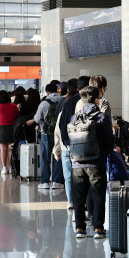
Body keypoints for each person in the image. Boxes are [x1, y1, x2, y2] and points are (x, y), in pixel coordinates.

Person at [70, 86, 114, 240]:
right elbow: (109, 140)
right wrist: (109, 153)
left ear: (82, 99)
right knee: (98, 195)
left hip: (77, 163)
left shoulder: (74, 118)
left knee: (79, 197)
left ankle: (80, 228)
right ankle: (98, 228)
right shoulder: (102, 117)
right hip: (96, 162)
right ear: (97, 99)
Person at [53, 78, 84, 210]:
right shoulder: (84, 104)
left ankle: (70, 201)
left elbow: (59, 129)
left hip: (66, 146)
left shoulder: (66, 105)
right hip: (81, 145)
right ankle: (81, 202)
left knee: (68, 175)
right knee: (82, 175)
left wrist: (57, 149)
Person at [32, 83, 64, 190]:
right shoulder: (63, 100)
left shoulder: (44, 103)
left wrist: (42, 124)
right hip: (59, 133)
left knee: (45, 157)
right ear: (57, 90)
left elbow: (37, 119)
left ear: (47, 92)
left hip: (46, 133)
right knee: (58, 155)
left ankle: (45, 182)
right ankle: (56, 182)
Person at [0, 92, 19, 175]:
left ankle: (4, 168)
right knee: (10, 149)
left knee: (3, 149)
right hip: (12, 128)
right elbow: (17, 116)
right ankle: (12, 168)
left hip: (2, 128)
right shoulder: (13, 106)